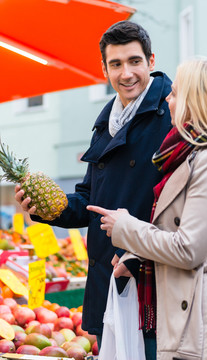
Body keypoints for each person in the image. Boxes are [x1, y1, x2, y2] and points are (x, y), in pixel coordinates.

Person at [15, 20, 172, 359]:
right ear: (104, 69)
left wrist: (141, 256)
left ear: (151, 61)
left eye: (134, 61)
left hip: (153, 284)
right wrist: (49, 207)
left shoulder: (173, 112)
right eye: (115, 64)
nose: (126, 73)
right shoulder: (105, 124)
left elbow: (183, 208)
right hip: (108, 281)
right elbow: (90, 199)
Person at [87, 58, 207, 360]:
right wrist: (136, 254)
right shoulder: (186, 156)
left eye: (175, 93)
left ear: (195, 100)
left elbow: (189, 249)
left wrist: (127, 229)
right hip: (190, 312)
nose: (168, 99)